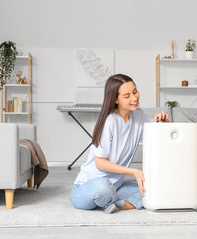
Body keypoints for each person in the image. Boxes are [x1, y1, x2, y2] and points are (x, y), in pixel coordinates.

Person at [70, 74, 171, 213]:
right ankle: (118, 201)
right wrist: (134, 172)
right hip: (87, 188)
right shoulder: (109, 121)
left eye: (135, 91)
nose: (134, 98)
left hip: (116, 186)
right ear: (116, 99)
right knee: (103, 188)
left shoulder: (139, 117)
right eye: (127, 95)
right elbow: (100, 163)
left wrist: (164, 121)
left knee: (156, 186)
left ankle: (117, 204)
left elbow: (161, 132)